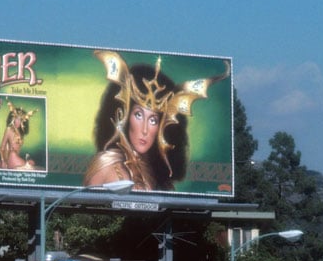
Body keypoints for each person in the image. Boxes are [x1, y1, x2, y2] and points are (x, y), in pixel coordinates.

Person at [83, 50, 229, 192]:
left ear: (162, 126)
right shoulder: (106, 162)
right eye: (138, 115)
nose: (145, 129)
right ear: (126, 117)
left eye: (153, 120)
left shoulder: (153, 172)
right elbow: (88, 206)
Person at [0, 100, 38, 170]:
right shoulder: (9, 129)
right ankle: (25, 164)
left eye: (20, 120)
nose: (18, 122)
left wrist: (26, 160)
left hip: (15, 158)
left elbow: (17, 150)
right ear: (13, 118)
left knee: (32, 163)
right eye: (16, 119)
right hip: (9, 158)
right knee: (14, 155)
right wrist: (2, 161)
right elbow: (2, 148)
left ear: (23, 121)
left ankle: (25, 163)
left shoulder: (21, 133)